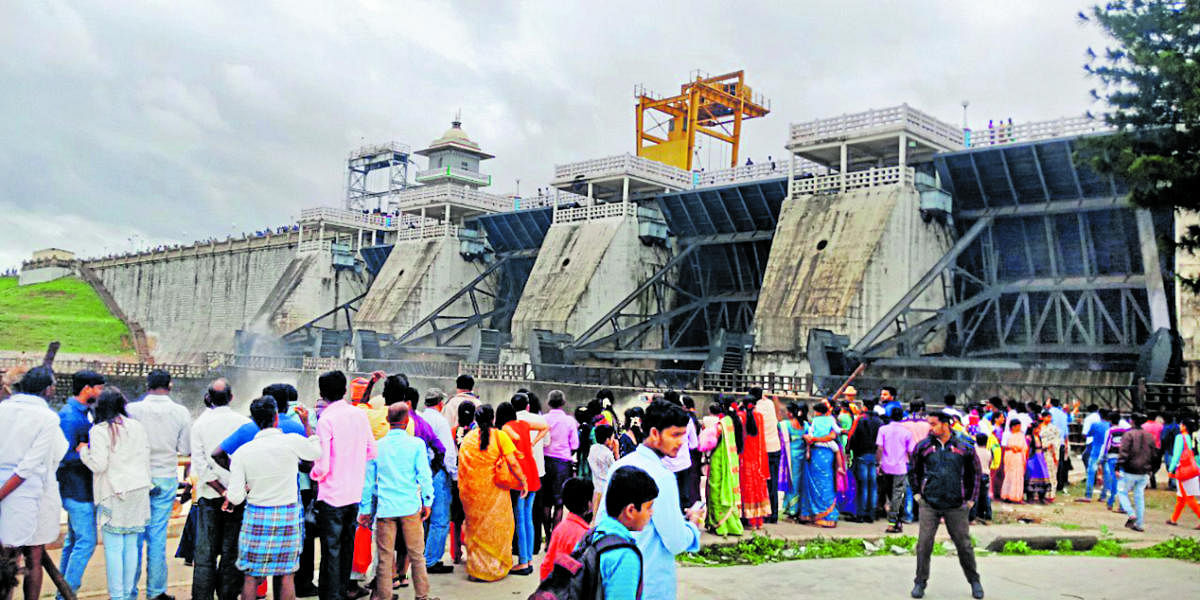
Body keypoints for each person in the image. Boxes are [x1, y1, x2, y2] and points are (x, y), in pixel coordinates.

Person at [600, 399, 701, 600]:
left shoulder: (620, 466)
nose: (681, 442)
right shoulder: (662, 477)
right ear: (654, 433)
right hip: (648, 583)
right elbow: (676, 541)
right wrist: (693, 525)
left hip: (613, 578)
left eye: (683, 434)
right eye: (675, 435)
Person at [226, 398, 320, 600]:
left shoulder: (243, 453)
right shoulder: (292, 442)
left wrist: (246, 488)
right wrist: (306, 425)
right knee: (287, 574)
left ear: (254, 421)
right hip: (288, 515)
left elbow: (234, 497)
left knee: (251, 575)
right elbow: (316, 452)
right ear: (276, 418)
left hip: (257, 516)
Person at [358, 403, 439, 600]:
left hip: (386, 509)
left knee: (385, 557)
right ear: (407, 421)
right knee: (417, 554)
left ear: (387, 421)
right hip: (410, 507)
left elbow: (368, 483)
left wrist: (366, 510)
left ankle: (385, 596)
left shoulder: (377, 446)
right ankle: (422, 596)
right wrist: (428, 501)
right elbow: (424, 476)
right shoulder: (417, 445)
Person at [0, 367, 68, 600]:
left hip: (7, 488)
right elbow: (32, 464)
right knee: (34, 557)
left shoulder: (3, 409)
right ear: (47, 389)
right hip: (30, 491)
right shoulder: (48, 418)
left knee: (6, 556)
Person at [310, 370, 377, 600]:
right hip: (354, 493)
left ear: (322, 393)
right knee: (346, 547)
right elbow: (372, 451)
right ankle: (342, 591)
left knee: (331, 550)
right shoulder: (359, 415)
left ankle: (332, 596)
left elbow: (323, 466)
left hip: (331, 496)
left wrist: (314, 473)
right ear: (345, 390)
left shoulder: (326, 419)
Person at [79, 387, 151, 600]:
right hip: (138, 490)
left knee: (113, 548)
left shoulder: (99, 430)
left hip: (114, 492)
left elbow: (99, 465)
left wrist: (83, 451)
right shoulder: (136, 426)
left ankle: (117, 595)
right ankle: (128, 593)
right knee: (131, 546)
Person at [125, 368, 190, 600]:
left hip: (137, 478)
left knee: (133, 538)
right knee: (157, 538)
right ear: (170, 385)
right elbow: (184, 449)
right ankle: (155, 592)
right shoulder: (180, 412)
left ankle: (128, 592)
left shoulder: (132, 410)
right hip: (165, 476)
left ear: (147, 385)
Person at [908, 411, 983, 600]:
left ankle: (974, 581)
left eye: (933, 424)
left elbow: (976, 473)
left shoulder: (964, 446)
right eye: (929, 424)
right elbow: (913, 469)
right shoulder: (923, 446)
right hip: (929, 504)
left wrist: (971, 500)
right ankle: (920, 583)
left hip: (956, 505)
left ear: (945, 424)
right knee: (924, 544)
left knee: (964, 545)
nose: (930, 428)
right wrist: (917, 493)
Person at [188, 379, 251, 600]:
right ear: (232, 397)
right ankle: (227, 596)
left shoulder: (199, 425)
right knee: (231, 551)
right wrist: (233, 493)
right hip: (238, 498)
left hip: (209, 496)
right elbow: (247, 464)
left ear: (209, 398)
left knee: (205, 554)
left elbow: (201, 466)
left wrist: (221, 491)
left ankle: (202, 596)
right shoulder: (243, 423)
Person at [457, 404, 526, 582]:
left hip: (472, 495)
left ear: (476, 419)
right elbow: (514, 463)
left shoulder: (469, 438)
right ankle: (495, 569)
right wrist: (523, 482)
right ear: (493, 419)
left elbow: (462, 468)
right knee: (499, 528)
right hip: (495, 493)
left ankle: (477, 570)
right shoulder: (500, 436)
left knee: (476, 531)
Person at [56, 370, 105, 598]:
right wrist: (90, 455)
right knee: (86, 541)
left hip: (83, 487)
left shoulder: (86, 413)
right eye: (99, 388)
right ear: (87, 389)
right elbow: (63, 456)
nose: (101, 392)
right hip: (76, 489)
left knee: (73, 540)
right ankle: (68, 591)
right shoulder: (69, 417)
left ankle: (62, 587)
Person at [587, 466, 658, 600]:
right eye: (648, 507)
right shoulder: (625, 556)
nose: (651, 512)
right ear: (630, 510)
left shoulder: (593, 535)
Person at [497, 399, 546, 575]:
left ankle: (523, 562)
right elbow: (544, 427)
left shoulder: (505, 428)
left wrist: (516, 450)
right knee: (528, 518)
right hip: (532, 471)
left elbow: (515, 438)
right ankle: (529, 559)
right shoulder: (524, 423)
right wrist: (532, 444)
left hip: (520, 476)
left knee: (520, 519)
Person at [418, 389, 456, 574]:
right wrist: (454, 475)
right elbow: (448, 453)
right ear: (440, 403)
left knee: (424, 516)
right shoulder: (441, 421)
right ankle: (431, 560)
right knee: (440, 519)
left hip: (421, 473)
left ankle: (422, 556)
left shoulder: (419, 418)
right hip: (439, 473)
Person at [698, 402, 743, 535]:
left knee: (716, 490)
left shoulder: (722, 423)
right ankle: (732, 524)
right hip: (732, 459)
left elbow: (710, 442)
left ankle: (719, 524)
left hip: (720, 460)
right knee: (729, 489)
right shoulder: (737, 421)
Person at [537, 477, 594, 580]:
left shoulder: (560, 528)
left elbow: (547, 564)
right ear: (589, 504)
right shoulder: (584, 535)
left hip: (552, 587)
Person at [542, 390, 579, 532]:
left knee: (545, 502)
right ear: (563, 403)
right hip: (563, 464)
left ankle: (547, 533)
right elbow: (575, 444)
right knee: (559, 503)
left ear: (548, 403)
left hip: (545, 462)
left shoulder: (543, 419)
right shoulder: (570, 421)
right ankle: (554, 537)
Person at [801, 401, 842, 528]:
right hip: (828, 452)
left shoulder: (815, 421)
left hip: (816, 452)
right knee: (826, 481)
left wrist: (811, 440)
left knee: (816, 482)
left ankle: (814, 514)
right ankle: (827, 516)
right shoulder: (831, 420)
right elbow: (836, 433)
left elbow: (811, 435)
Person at [876, 407, 916, 533]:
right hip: (901, 467)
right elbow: (910, 451)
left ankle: (893, 521)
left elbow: (879, 448)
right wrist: (911, 464)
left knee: (889, 494)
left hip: (886, 467)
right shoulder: (906, 432)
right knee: (898, 496)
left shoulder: (883, 429)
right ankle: (894, 523)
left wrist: (879, 463)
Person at [448, 400, 476, 566]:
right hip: (472, 480)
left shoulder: (452, 432)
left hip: (456, 480)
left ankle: (456, 553)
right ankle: (472, 552)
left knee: (456, 519)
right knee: (471, 519)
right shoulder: (476, 433)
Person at [735, 397, 770, 530]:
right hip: (757, 458)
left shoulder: (741, 417)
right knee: (757, 487)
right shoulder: (760, 417)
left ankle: (748, 519)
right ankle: (757, 521)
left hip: (744, 458)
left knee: (746, 487)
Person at [1116, 413, 1155, 532]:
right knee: (1139, 497)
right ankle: (1139, 524)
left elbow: (1123, 453)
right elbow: (1154, 454)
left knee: (1122, 492)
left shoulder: (1128, 435)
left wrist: (1118, 467)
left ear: (1131, 421)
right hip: (1144, 471)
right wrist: (1151, 469)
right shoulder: (1149, 436)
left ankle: (1131, 513)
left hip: (1130, 470)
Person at [661, 391, 699, 512]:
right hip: (684, 464)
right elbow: (694, 444)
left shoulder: (661, 418)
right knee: (684, 497)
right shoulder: (687, 419)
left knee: (667, 498)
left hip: (665, 465)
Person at [847, 398, 883, 523]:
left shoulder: (860, 419)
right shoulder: (879, 421)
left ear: (865, 407)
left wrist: (848, 451)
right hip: (873, 455)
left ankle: (860, 514)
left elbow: (852, 437)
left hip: (861, 454)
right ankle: (871, 514)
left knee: (862, 485)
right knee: (872, 485)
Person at [751, 389, 782, 523]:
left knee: (762, 483)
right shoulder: (769, 404)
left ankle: (765, 512)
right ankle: (774, 514)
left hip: (763, 450)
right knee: (773, 482)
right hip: (776, 447)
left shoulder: (756, 410)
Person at [1165, 417, 1200, 528]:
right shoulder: (1191, 437)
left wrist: (1171, 470)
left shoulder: (1180, 437)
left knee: (1188, 497)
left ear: (1184, 426)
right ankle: (1173, 519)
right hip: (1192, 469)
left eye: (1181, 424)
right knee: (1181, 497)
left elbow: (1176, 456)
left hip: (1184, 470)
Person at [779, 403, 806, 523]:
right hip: (803, 455)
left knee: (792, 483)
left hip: (791, 457)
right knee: (799, 483)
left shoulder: (786, 425)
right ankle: (796, 508)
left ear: (790, 413)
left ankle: (792, 510)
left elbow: (778, 425)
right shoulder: (806, 425)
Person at [587, 425, 618, 518]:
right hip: (606, 487)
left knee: (596, 514)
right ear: (607, 439)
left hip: (596, 486)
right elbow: (615, 468)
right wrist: (616, 452)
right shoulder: (607, 454)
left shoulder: (593, 448)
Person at [1101, 411, 1127, 510]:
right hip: (1122, 458)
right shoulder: (1124, 431)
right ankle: (1122, 504)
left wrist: (1103, 456)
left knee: (1114, 480)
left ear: (1110, 421)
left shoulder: (1110, 431)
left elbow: (1106, 445)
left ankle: (1111, 501)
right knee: (1122, 480)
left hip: (1112, 457)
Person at [1024, 418, 1052, 504]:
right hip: (1033, 458)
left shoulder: (1038, 437)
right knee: (1031, 476)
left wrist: (1046, 448)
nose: (1039, 430)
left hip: (1040, 458)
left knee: (1043, 476)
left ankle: (1041, 497)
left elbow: (1040, 447)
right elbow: (1028, 448)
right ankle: (1030, 497)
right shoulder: (1029, 438)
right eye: (1037, 428)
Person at [999, 419, 1027, 503]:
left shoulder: (1021, 435)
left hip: (1018, 456)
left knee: (1018, 475)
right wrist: (1012, 447)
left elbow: (1024, 447)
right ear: (1013, 427)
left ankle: (1016, 496)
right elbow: (1003, 446)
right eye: (1018, 426)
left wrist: (1019, 449)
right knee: (1009, 475)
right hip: (1010, 455)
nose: (1019, 428)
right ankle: (1007, 495)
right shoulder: (1007, 434)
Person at [970, 433, 994, 523]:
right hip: (985, 474)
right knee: (985, 496)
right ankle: (988, 516)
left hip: (976, 475)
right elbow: (989, 463)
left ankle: (972, 517)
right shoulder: (988, 452)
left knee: (975, 496)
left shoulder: (974, 451)